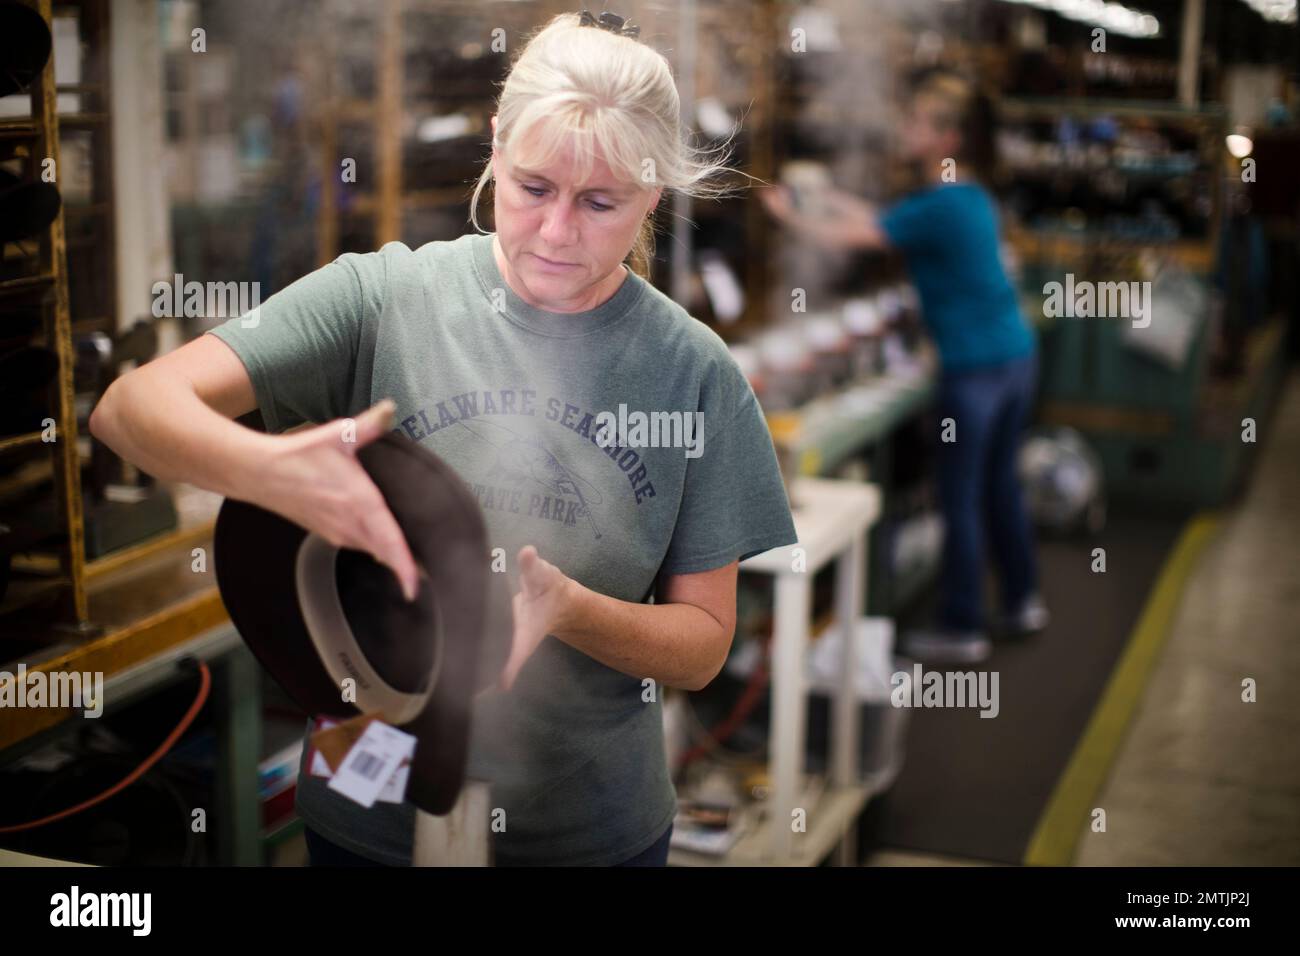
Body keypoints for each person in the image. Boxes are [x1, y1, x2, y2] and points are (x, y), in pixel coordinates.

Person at [90, 11, 796, 866]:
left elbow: (702, 648)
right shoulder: (386, 298)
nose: (557, 231)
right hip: (370, 823)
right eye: (533, 187)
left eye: (601, 202)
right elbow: (129, 409)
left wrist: (572, 610)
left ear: (653, 193)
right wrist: (273, 470)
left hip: (584, 837)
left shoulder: (692, 372)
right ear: (495, 145)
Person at [761, 67, 1047, 663]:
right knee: (999, 488)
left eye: (917, 121)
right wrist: (829, 198)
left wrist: (789, 216)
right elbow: (883, 217)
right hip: (1015, 361)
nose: (905, 128)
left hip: (975, 372)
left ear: (947, 138)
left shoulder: (940, 207)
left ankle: (962, 624)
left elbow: (858, 237)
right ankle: (1022, 600)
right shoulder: (967, 196)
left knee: (959, 496)